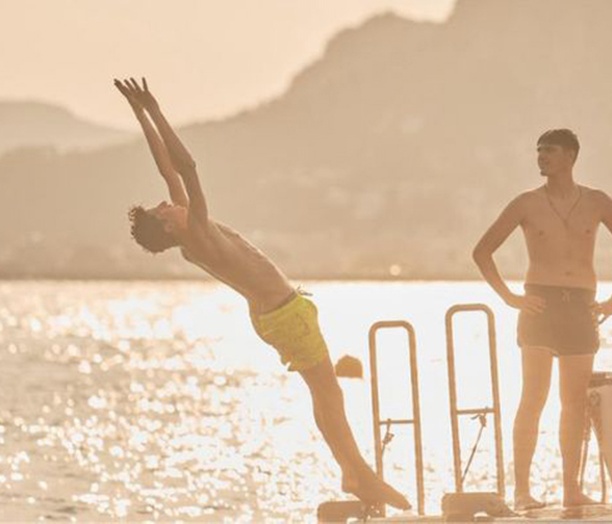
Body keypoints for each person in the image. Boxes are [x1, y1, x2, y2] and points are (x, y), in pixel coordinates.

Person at [114, 77, 410, 511]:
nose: (166, 201)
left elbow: (168, 169)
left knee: (324, 393)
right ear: (170, 226)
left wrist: (141, 113)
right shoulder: (195, 231)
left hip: (276, 316)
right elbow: (187, 168)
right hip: (285, 314)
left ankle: (353, 469)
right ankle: (358, 472)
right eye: (163, 209)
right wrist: (156, 112)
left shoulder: (192, 234)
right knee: (330, 394)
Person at [473, 129, 612, 510]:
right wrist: (510, 298)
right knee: (533, 397)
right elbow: (482, 251)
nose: (540, 157)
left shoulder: (597, 202)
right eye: (538, 151)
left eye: (548, 151)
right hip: (541, 304)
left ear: (570, 155)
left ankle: (570, 487)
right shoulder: (526, 203)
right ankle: (522, 489)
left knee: (574, 402)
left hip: (581, 305)